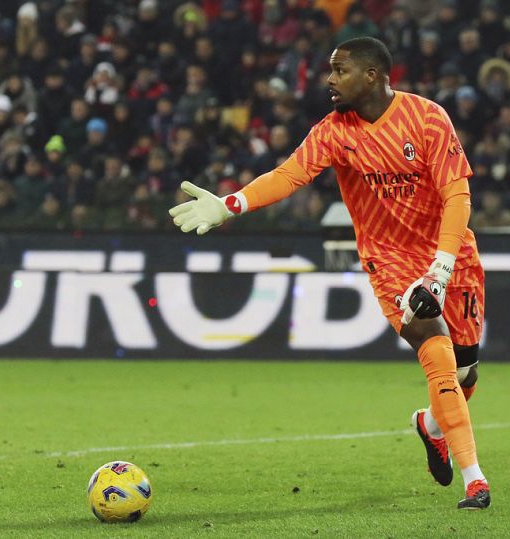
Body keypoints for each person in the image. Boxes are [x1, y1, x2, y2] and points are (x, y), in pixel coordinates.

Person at [169, 37, 491, 510]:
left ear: (372, 76)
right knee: (435, 347)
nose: (330, 80)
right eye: (331, 70)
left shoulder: (427, 118)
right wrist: (230, 204)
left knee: (465, 374)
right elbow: (288, 175)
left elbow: (457, 195)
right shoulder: (334, 131)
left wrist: (440, 270)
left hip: (451, 253)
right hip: (389, 259)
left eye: (340, 71)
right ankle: (475, 480)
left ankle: (431, 426)